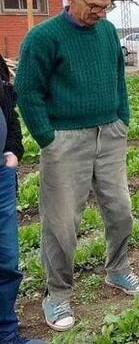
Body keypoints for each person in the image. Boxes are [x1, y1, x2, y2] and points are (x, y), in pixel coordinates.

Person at [15, 0, 139, 332]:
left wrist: (122, 118)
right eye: (94, 6)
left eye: (106, 7)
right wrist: (47, 138)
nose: (100, 14)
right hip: (65, 140)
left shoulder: (106, 32)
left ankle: (118, 270)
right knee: (61, 223)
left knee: (121, 210)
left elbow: (119, 76)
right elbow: (27, 92)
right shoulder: (43, 38)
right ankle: (56, 295)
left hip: (109, 135)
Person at [0, 55, 45, 344]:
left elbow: (10, 107)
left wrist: (14, 150)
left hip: (1, 175)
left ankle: (6, 334)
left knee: (6, 258)